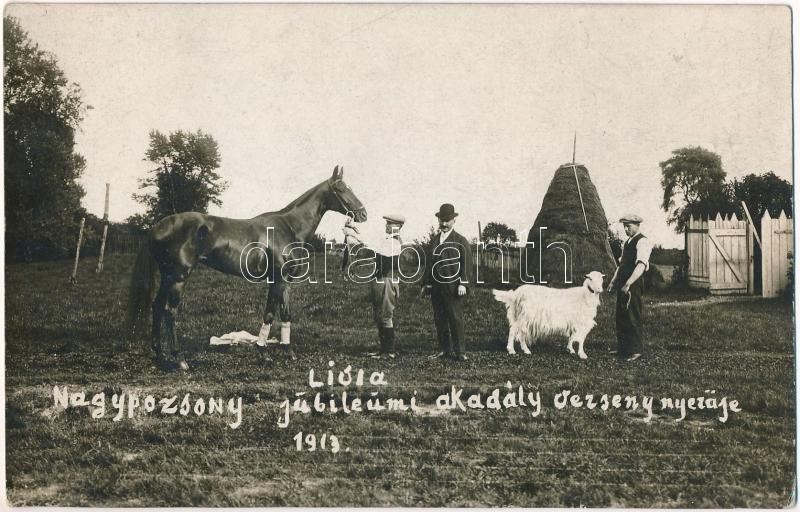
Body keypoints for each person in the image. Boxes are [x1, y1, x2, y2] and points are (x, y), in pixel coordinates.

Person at [343, 213, 405, 359]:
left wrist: (352, 232)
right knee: (380, 316)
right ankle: (383, 350)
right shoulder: (388, 240)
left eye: (391, 224)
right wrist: (353, 228)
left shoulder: (394, 242)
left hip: (387, 281)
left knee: (385, 316)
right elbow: (371, 240)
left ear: (399, 227)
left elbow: (371, 244)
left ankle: (388, 351)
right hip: (380, 280)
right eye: (387, 223)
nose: (387, 226)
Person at [421, 203, 473, 362]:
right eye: (441, 220)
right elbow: (429, 264)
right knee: (440, 319)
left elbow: (467, 264)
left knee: (455, 318)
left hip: (454, 288)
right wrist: (426, 284)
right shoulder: (434, 241)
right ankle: (444, 350)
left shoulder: (460, 241)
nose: (443, 224)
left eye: (447, 220)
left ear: (454, 220)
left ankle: (460, 352)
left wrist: (463, 283)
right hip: (437, 288)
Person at [606, 213, 652, 362]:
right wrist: (614, 281)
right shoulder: (626, 243)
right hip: (622, 284)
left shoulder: (642, 242)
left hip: (633, 284)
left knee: (632, 314)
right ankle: (623, 348)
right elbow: (621, 265)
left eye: (629, 226)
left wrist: (629, 283)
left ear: (637, 225)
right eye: (624, 226)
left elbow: (641, 265)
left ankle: (635, 350)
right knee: (622, 315)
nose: (626, 229)